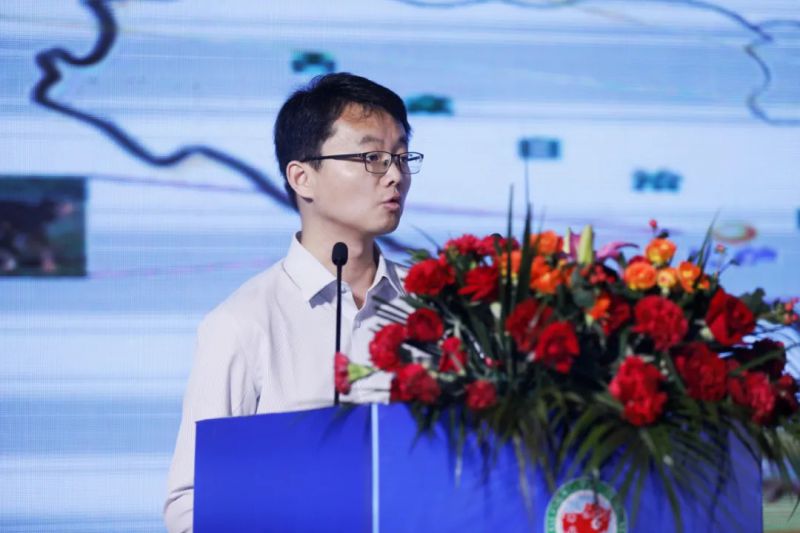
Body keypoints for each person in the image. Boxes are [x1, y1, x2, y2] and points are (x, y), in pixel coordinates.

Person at [163, 73, 422, 533]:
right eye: (372, 158)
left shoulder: (436, 305)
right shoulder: (242, 322)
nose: (395, 175)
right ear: (302, 177)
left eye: (401, 157)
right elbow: (191, 504)